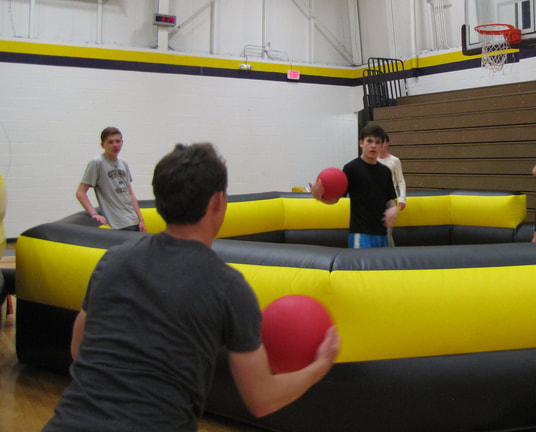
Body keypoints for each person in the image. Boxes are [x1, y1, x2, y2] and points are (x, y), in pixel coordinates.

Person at [44, 143, 340, 431]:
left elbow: (78, 347)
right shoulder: (228, 286)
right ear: (217, 202)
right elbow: (263, 399)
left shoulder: (113, 260)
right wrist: (320, 365)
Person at [311, 124, 398, 248]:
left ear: (382, 146)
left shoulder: (385, 171)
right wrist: (320, 198)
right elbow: (336, 199)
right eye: (369, 141)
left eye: (377, 142)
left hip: (382, 233)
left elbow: (390, 198)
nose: (373, 145)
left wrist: (394, 209)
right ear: (361, 143)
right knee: (360, 268)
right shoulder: (351, 168)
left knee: (380, 268)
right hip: (360, 234)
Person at [76, 126, 146, 231]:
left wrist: (141, 220)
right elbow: (80, 192)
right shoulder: (97, 163)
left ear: (122, 142)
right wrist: (94, 213)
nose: (115, 145)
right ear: (103, 145)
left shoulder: (123, 163)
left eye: (117, 141)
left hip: (133, 219)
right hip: (118, 223)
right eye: (110, 142)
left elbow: (130, 193)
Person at [377, 133, 407, 247]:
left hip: (389, 199)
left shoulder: (394, 161)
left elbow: (400, 180)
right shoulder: (372, 160)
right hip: (374, 200)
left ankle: (390, 255)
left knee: (387, 232)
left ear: (387, 143)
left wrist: (402, 198)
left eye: (382, 142)